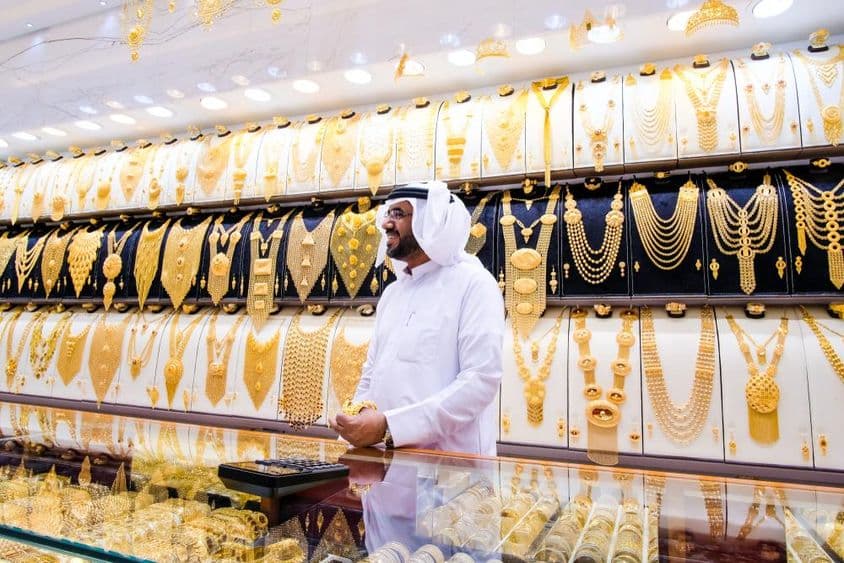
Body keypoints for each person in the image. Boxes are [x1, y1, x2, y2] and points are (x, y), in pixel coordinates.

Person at [329, 181, 505, 455]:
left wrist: (390, 428)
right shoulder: (393, 293)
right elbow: (372, 372)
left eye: (398, 214)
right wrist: (360, 415)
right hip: (383, 466)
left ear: (431, 221)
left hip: (448, 473)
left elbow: (479, 380)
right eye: (387, 214)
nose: (386, 223)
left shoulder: (474, 284)